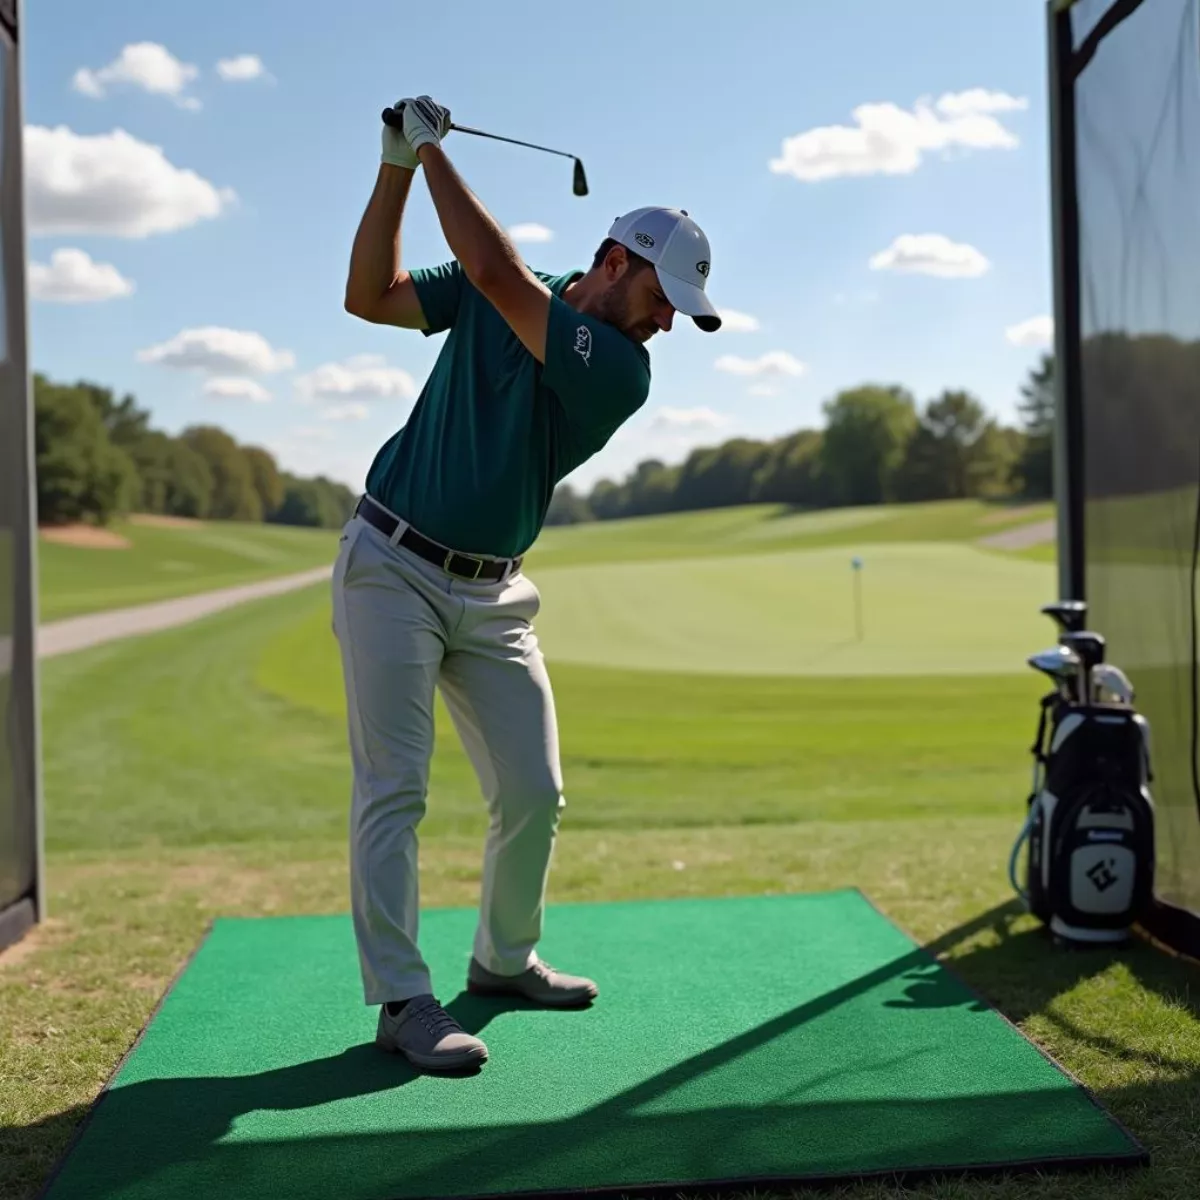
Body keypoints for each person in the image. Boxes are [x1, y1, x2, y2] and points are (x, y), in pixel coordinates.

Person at [333, 95, 722, 1072]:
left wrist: (428, 153)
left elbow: (495, 273)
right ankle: (404, 998)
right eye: (661, 295)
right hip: (390, 565)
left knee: (535, 789)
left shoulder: (620, 368)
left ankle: (503, 961)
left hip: (496, 592)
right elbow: (370, 296)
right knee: (395, 789)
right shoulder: (520, 292)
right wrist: (393, 168)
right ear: (614, 262)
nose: (669, 321)